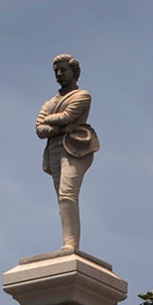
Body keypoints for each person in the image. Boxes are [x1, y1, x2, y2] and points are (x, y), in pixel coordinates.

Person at [34, 55, 98, 253]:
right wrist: (60, 128)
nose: (59, 75)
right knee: (61, 198)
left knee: (68, 194)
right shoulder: (49, 102)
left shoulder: (82, 95)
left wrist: (51, 122)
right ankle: (67, 241)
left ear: (74, 72)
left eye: (63, 70)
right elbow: (39, 129)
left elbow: (67, 116)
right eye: (56, 71)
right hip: (54, 148)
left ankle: (71, 244)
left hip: (75, 147)